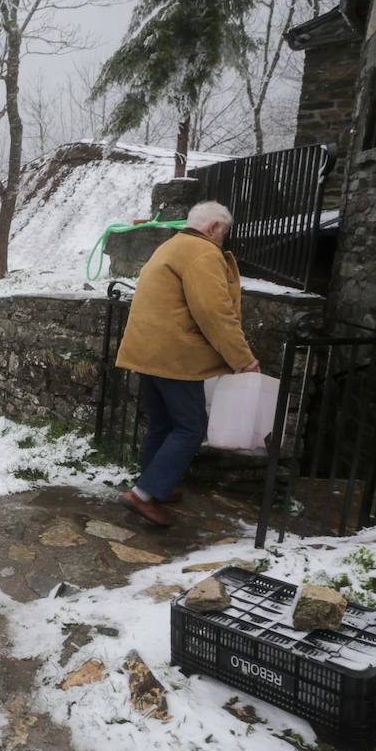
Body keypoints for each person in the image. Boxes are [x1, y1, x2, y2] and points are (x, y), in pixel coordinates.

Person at [114, 200, 260, 527]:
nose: (224, 239)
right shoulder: (203, 253)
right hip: (175, 357)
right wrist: (243, 360)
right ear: (213, 228)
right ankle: (144, 494)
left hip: (147, 352)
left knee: (163, 424)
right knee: (191, 427)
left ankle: (154, 486)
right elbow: (214, 313)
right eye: (225, 233)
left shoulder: (171, 246)